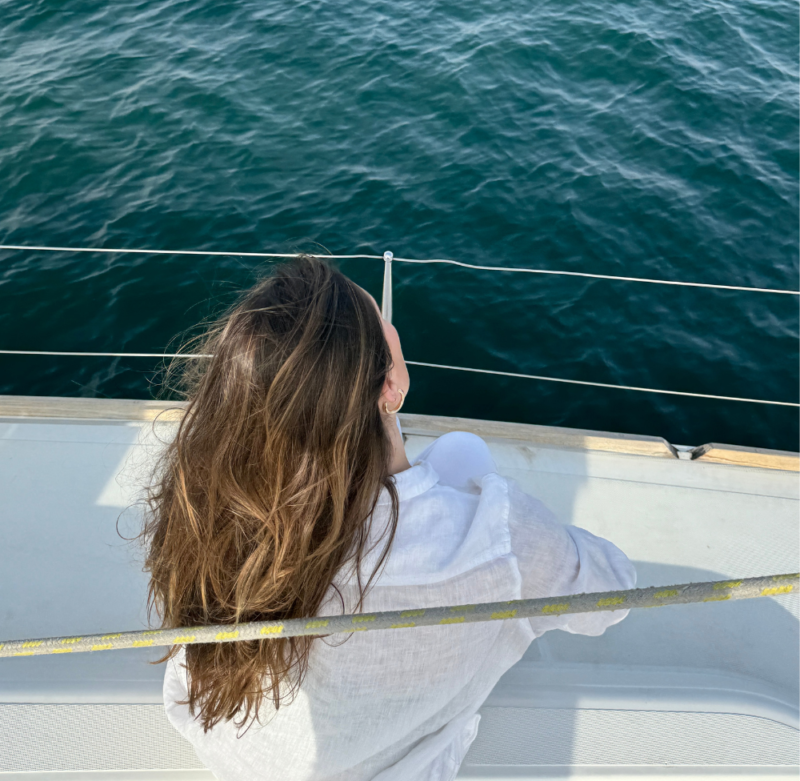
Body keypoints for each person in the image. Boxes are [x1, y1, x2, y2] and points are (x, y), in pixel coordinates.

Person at [143, 256, 635, 781]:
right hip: (391, 767)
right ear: (391, 388)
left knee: (458, 454)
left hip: (235, 752)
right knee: (465, 454)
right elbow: (612, 597)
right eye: (385, 326)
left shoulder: (210, 499)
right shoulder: (495, 535)